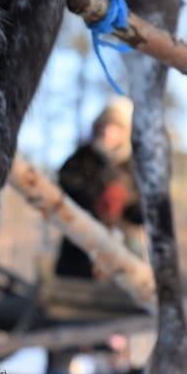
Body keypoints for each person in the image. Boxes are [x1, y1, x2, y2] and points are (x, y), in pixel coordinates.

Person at [55, 96, 144, 279]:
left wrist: (124, 201)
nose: (107, 131)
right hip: (79, 251)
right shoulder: (81, 158)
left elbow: (142, 213)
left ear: (125, 132)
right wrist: (96, 198)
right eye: (104, 125)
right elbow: (64, 188)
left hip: (123, 256)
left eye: (115, 127)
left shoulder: (134, 166)